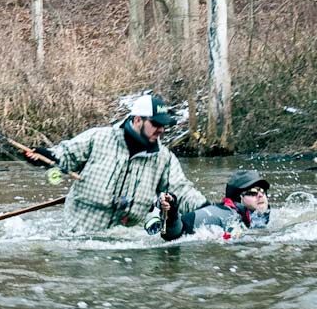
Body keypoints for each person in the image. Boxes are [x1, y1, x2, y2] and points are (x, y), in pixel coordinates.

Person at [23, 93, 206, 234]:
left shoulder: (164, 159)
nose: (161, 129)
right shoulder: (98, 138)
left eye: (164, 125)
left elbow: (182, 191)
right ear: (137, 120)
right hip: (77, 237)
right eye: (156, 123)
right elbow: (65, 156)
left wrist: (208, 208)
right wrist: (44, 157)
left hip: (126, 243)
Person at [159, 169, 271, 242]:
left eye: (262, 191)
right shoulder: (220, 215)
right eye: (253, 192)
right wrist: (172, 213)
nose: (260, 195)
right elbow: (175, 234)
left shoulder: (262, 216)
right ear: (238, 198)